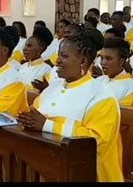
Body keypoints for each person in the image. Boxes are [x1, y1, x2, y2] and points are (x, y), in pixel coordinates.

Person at [18, 34, 123, 182]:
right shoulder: (51, 89)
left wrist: (47, 125)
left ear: (83, 61)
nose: (57, 60)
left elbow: (95, 141)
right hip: (47, 167)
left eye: (64, 56)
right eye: (59, 55)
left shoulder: (102, 97)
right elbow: (34, 116)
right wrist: (25, 119)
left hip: (87, 174)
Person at [97, 38, 133, 106]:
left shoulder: (131, 87)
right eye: (101, 58)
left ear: (121, 61)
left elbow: (124, 113)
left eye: (108, 59)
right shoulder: (99, 80)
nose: (103, 63)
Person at [19, 27, 54, 92]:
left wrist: (45, 88)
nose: (25, 49)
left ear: (40, 49)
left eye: (29, 46)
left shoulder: (46, 69)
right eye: (25, 46)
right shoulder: (22, 67)